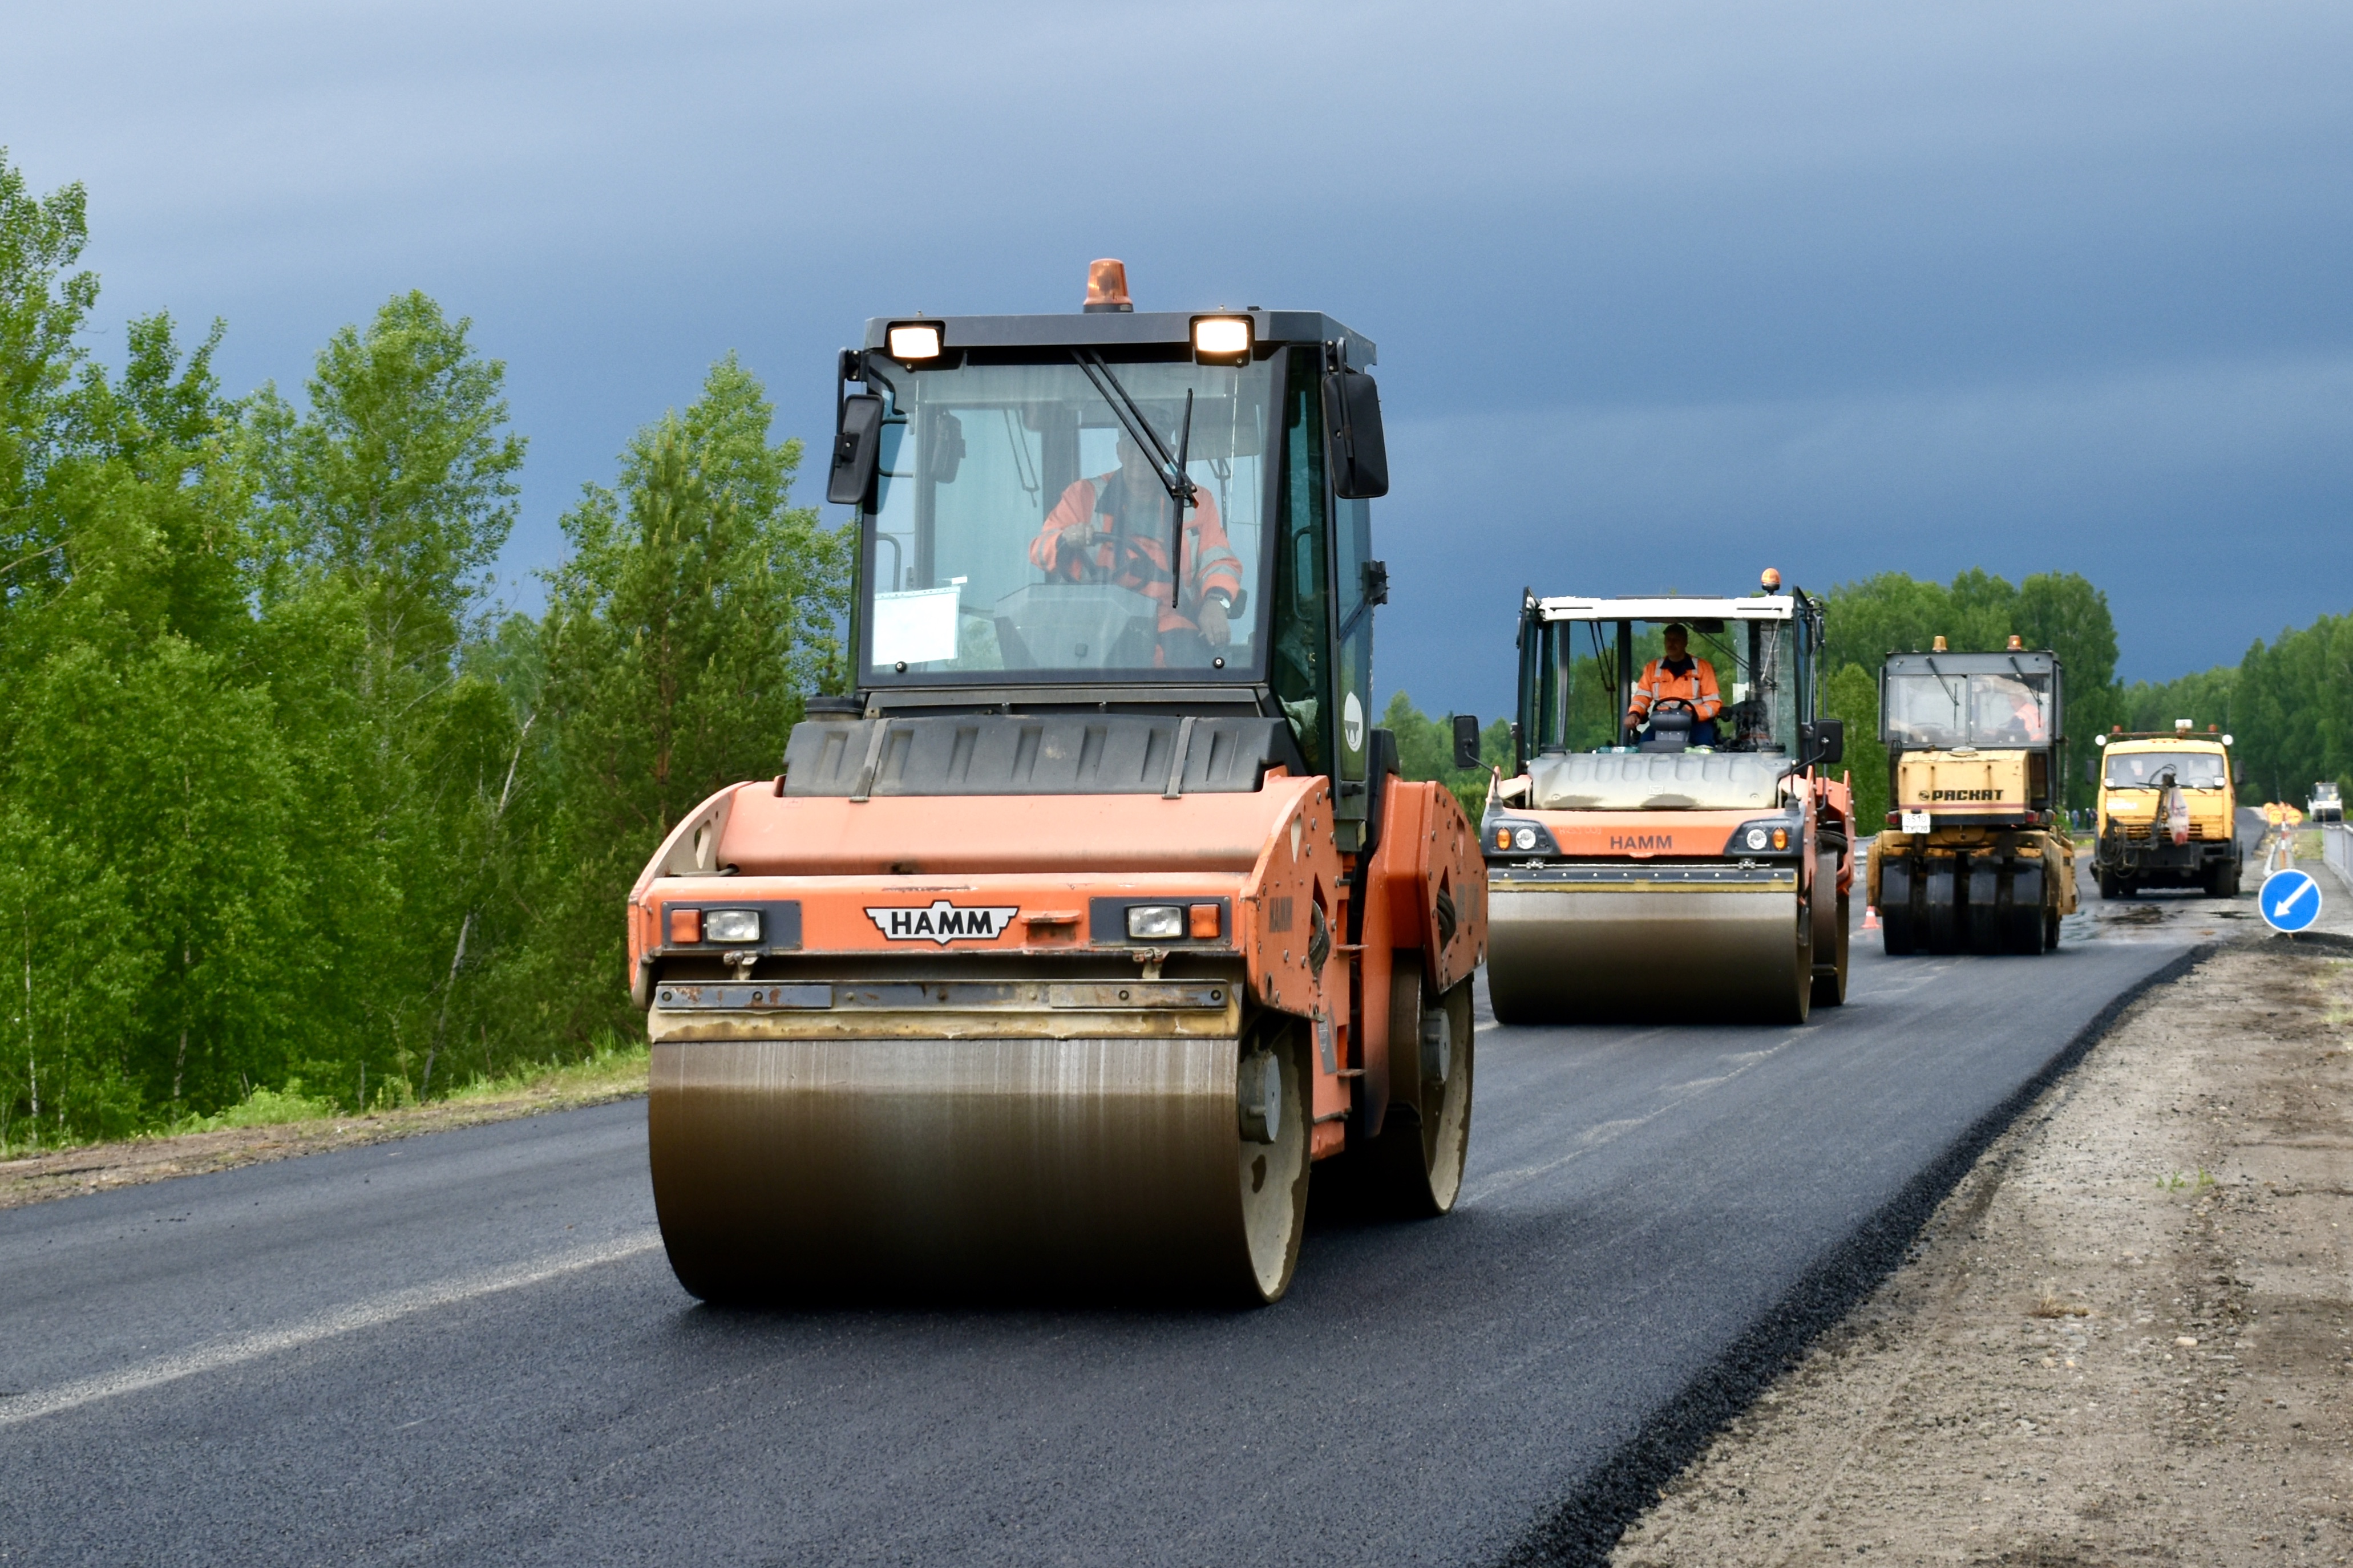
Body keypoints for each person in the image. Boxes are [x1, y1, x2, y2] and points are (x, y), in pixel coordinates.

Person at [1028, 433, 1244, 665]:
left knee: (1207, 677)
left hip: (1172, 625)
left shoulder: (1194, 501)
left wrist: (1216, 601)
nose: (1141, 454)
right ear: (1119, 450)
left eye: (1152, 446)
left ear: (1168, 453)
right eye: (1133, 445)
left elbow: (1218, 559)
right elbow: (1040, 549)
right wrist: (1065, 539)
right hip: (1096, 626)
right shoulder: (1083, 495)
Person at [1626, 622, 1723, 747]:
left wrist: (1692, 713)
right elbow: (1642, 698)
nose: (1671, 644)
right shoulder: (1652, 668)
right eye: (1668, 640)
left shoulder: (1703, 668)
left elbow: (1714, 703)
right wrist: (1634, 713)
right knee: (1644, 746)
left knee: (1704, 746)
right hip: (1661, 723)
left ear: (1685, 642)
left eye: (1676, 639)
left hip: (1696, 723)